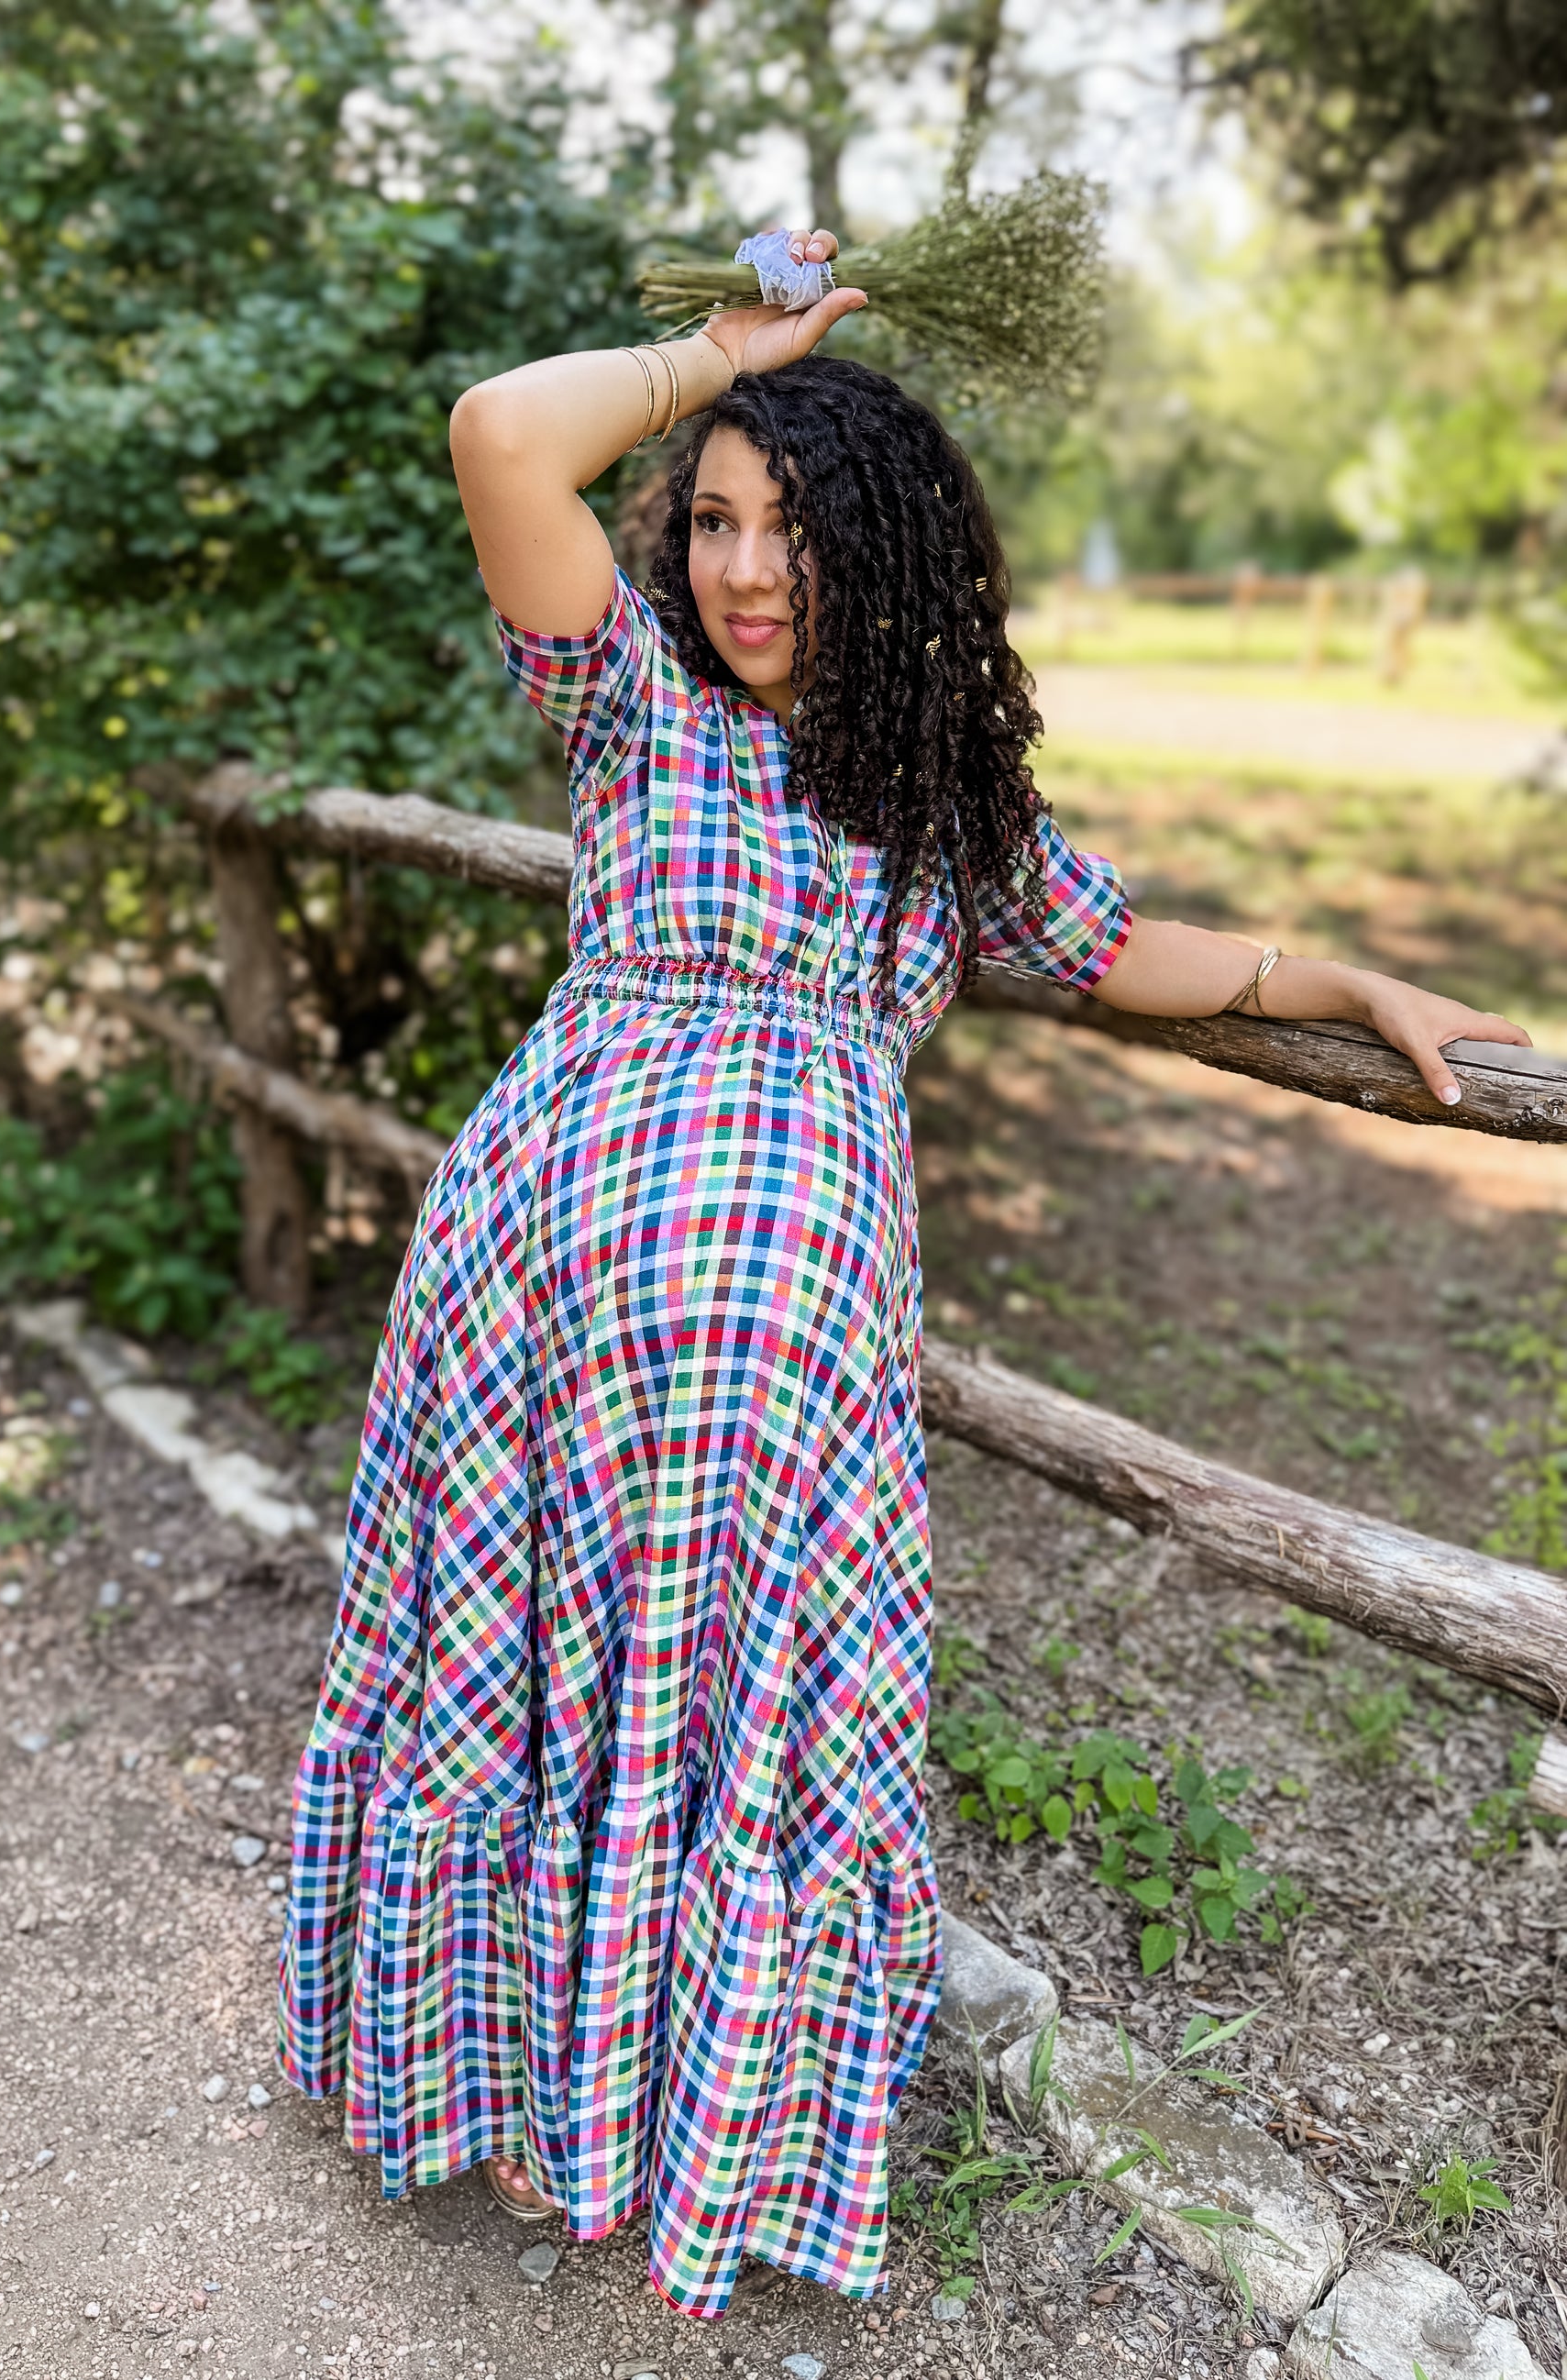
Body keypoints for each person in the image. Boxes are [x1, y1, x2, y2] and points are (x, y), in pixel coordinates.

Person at [275, 229, 1528, 2319]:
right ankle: (496, 2078)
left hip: (785, 1368)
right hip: (534, 1310)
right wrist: (720, 355)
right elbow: (501, 433)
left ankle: (671, 2126)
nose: (744, 569)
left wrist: (1346, 982)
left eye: (792, 529)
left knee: (742, 1727)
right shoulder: (634, 701)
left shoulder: (943, 813)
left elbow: (1135, 953)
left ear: (889, 554)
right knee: (526, 1685)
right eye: (714, 522)